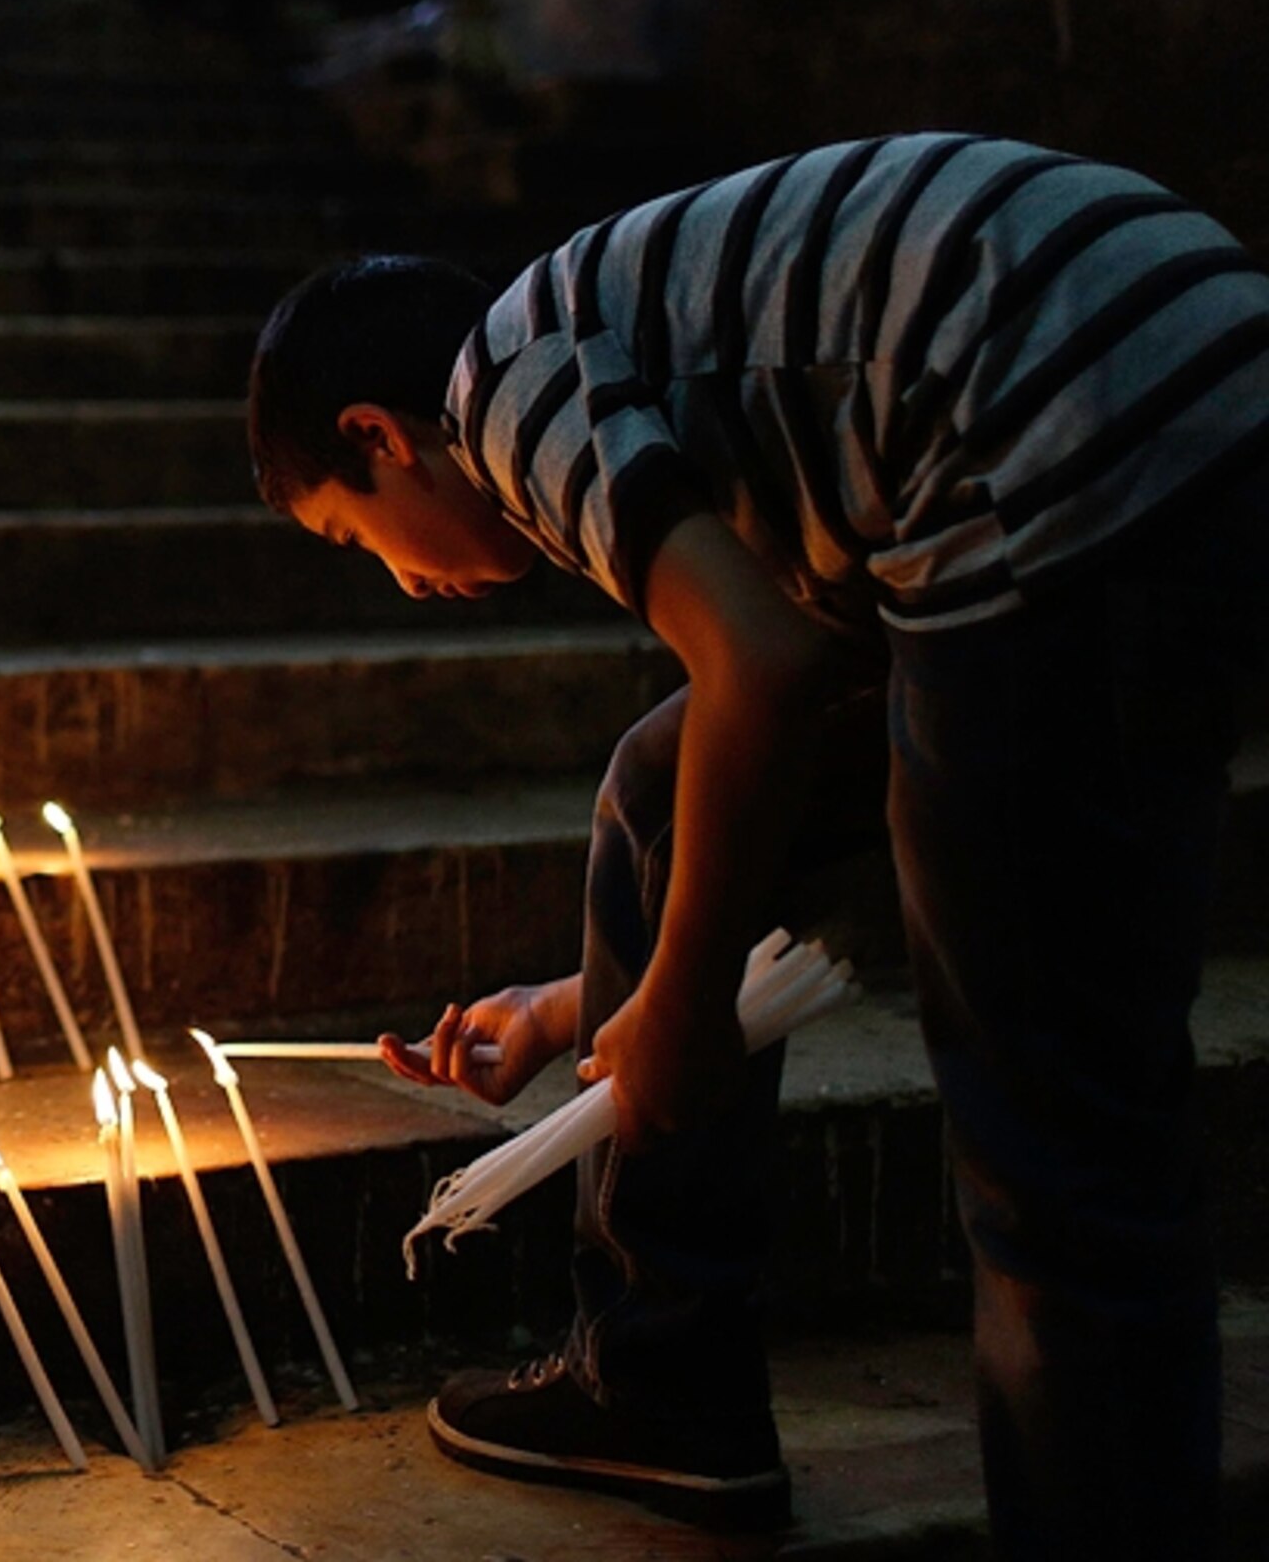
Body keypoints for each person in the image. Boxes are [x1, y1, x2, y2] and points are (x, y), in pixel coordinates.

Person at [244, 134, 1267, 1556]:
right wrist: (581, 1010)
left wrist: (679, 1003)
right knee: (666, 783)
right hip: (1167, 362)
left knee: (1055, 1129)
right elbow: (800, 693)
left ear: (379, 434)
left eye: (362, 541)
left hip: (1057, 430)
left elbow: (765, 673)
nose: (407, 580)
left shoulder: (505, 386)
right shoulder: (662, 365)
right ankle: (663, 1381)